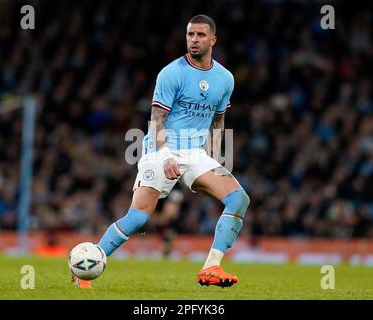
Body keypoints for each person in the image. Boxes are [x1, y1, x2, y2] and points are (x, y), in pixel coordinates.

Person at [72, 14, 250, 288]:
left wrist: (214, 154)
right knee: (139, 217)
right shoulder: (172, 73)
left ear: (213, 39)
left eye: (200, 35)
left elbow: (218, 119)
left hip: (195, 154)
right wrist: (165, 154)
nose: (194, 40)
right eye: (190, 35)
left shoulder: (225, 79)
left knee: (238, 198)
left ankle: (211, 266)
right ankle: (89, 262)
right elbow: (157, 118)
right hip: (160, 149)